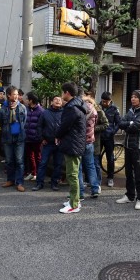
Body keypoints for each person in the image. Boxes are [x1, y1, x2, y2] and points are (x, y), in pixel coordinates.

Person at [55, 82, 86, 214]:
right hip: (75, 143)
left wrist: (57, 135)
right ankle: (75, 200)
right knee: (74, 174)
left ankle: (74, 204)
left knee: (72, 175)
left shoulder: (71, 108)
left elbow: (64, 126)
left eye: (62, 93)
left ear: (67, 93)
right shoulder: (78, 105)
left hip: (72, 144)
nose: (62, 96)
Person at [116, 89, 140, 211]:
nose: (133, 99)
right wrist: (129, 123)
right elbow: (120, 123)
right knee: (128, 173)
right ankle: (129, 195)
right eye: (132, 96)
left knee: (139, 174)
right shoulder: (131, 110)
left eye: (135, 97)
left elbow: (135, 127)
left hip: (138, 147)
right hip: (128, 146)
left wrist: (128, 124)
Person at [0, 86, 27, 192]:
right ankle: (10, 180)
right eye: (13, 94)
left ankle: (19, 182)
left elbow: (24, 122)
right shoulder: (2, 109)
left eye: (17, 94)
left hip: (19, 138)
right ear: (8, 95)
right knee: (9, 160)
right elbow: (0, 122)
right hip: (7, 138)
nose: (16, 96)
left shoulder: (22, 108)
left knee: (19, 161)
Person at [33, 95, 64, 191]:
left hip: (59, 143)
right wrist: (41, 138)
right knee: (43, 163)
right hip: (47, 143)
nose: (58, 101)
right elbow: (39, 126)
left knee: (58, 164)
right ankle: (39, 183)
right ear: (51, 102)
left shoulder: (64, 113)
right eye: (55, 99)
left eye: (60, 99)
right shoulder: (45, 113)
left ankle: (54, 183)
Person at [78, 93, 100, 199]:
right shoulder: (94, 111)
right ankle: (95, 189)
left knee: (79, 167)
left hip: (79, 142)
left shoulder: (80, 109)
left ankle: (80, 192)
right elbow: (94, 125)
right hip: (90, 142)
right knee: (91, 166)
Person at [100, 91, 121, 187]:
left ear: (110, 101)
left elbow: (118, 123)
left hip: (109, 136)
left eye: (106, 101)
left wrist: (113, 131)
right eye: (103, 101)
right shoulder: (98, 107)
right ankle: (94, 177)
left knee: (110, 158)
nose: (105, 103)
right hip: (98, 136)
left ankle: (110, 177)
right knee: (95, 156)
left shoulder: (115, 109)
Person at [23, 91, 44, 181]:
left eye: (27, 99)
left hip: (37, 138)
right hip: (27, 137)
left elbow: (42, 125)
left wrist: (40, 136)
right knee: (30, 156)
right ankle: (33, 173)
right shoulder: (26, 109)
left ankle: (39, 174)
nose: (26, 100)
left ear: (31, 100)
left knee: (38, 157)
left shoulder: (41, 111)